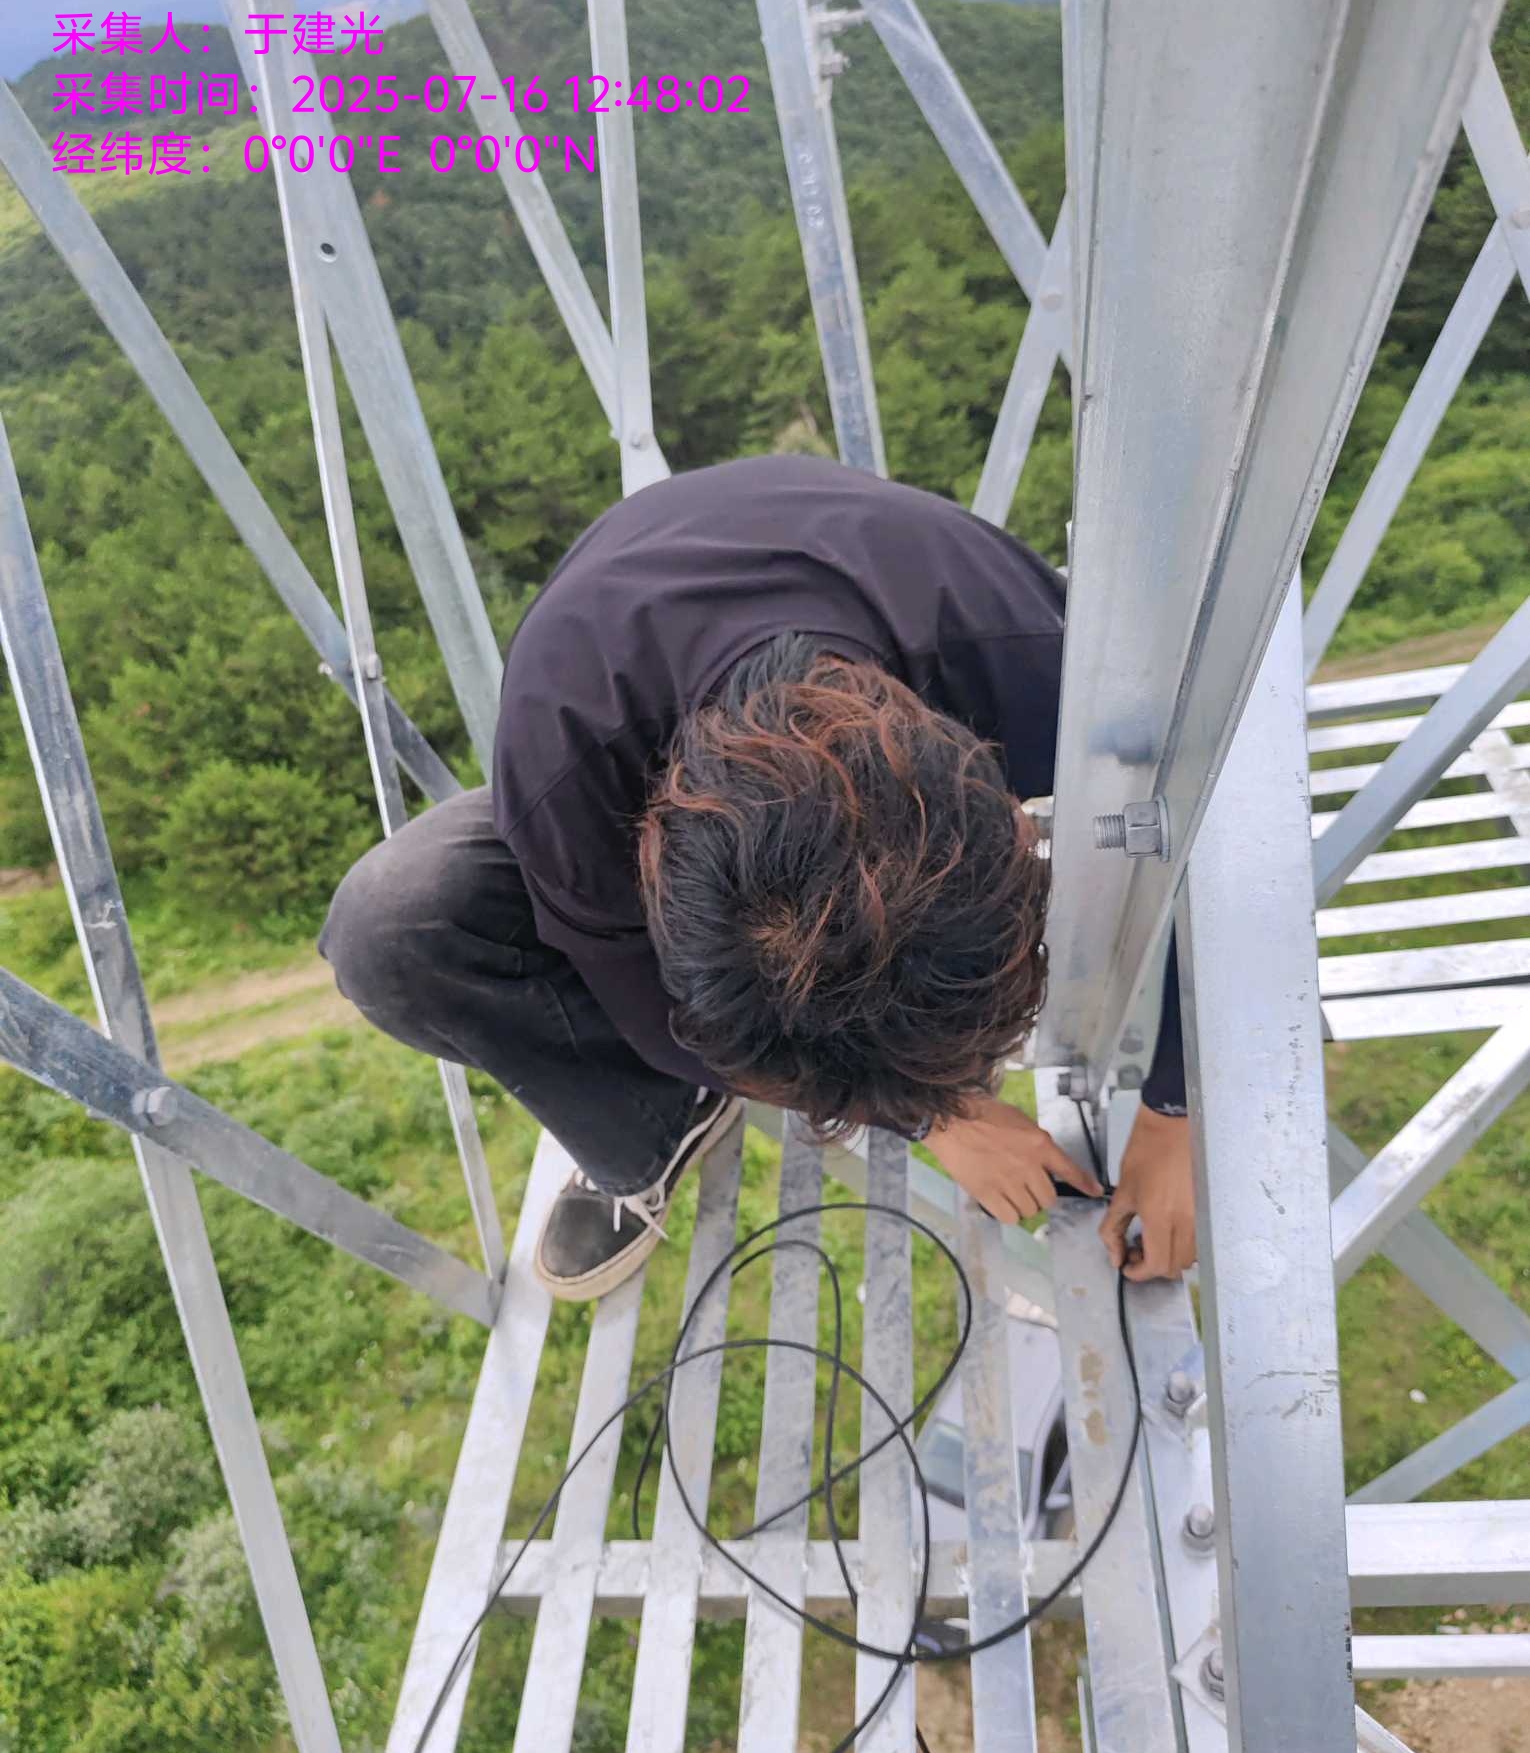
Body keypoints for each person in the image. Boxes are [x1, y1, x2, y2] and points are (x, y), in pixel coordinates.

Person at [319, 455, 1196, 1301]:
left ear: (1008, 816)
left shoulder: (1031, 657)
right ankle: (659, 1124)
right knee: (389, 928)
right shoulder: (563, 765)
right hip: (610, 722)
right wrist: (939, 1118)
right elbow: (648, 1008)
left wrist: (1174, 1112)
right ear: (654, 885)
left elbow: (1200, 833)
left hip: (885, 622)